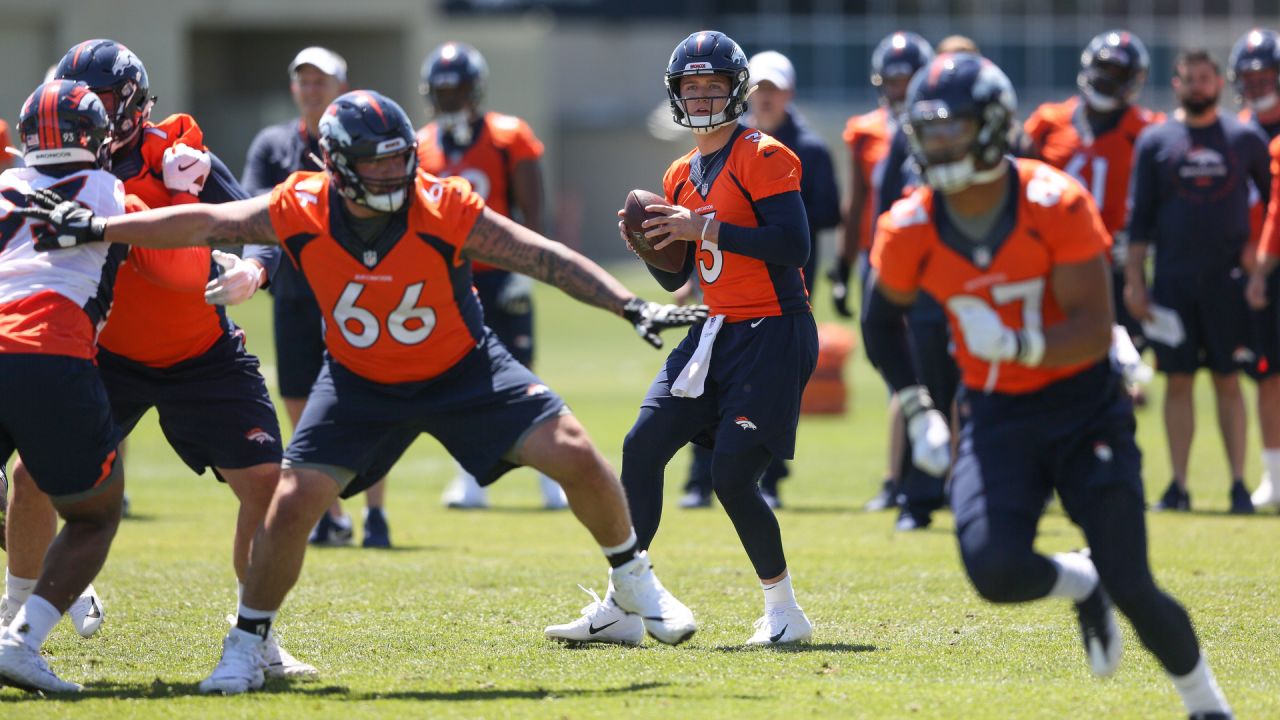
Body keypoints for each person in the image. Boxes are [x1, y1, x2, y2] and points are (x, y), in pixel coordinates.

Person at [22, 88, 704, 693]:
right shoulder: (302, 206)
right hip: (359, 380)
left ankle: (635, 579)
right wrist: (102, 227)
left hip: (465, 370)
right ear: (340, 166)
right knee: (290, 506)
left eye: (398, 157)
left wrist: (629, 305)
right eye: (375, 161)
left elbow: (542, 255)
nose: (393, 171)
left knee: (577, 453)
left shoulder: (441, 204)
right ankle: (248, 643)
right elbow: (204, 223)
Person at [862, 51, 1233, 719]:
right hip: (996, 413)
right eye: (930, 130)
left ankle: (1208, 704)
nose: (939, 144)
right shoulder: (910, 224)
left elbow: (1095, 329)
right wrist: (919, 409)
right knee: (994, 570)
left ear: (995, 126)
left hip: (1083, 406)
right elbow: (879, 322)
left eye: (954, 129)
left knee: (1135, 584)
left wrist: (1016, 343)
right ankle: (1078, 581)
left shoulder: (1053, 201)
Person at [1, 39, 315, 679]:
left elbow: (262, 224)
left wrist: (252, 269)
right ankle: (18, 613)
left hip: (199, 348)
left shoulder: (178, 158)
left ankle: (257, 636)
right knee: (35, 477)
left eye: (111, 99)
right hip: (102, 353)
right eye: (90, 99)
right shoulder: (49, 168)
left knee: (264, 483)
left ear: (139, 105)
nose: (98, 111)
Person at [546, 30, 817, 647]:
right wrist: (651, 245)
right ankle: (623, 603)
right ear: (675, 93)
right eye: (690, 87)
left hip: (773, 329)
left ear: (736, 90)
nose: (700, 97)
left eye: (713, 85)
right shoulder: (679, 171)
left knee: (732, 476)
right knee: (642, 446)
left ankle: (784, 611)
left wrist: (706, 227)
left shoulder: (764, 154)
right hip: (715, 327)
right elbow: (679, 273)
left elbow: (792, 246)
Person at [0, 80, 127, 694]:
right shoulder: (109, 190)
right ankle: (21, 641)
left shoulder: (3, 186)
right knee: (96, 514)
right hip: (48, 352)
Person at [242, 46, 393, 547]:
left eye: (320, 81)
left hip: (352, 286)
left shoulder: (362, 139)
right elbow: (254, 208)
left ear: (340, 87)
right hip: (293, 287)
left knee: (367, 391)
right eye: (303, 81)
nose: (311, 89)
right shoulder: (273, 143)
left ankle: (375, 514)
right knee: (298, 399)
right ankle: (332, 515)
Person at [677, 48, 839, 510]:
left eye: (773, 89)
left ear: (788, 93)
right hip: (725, 279)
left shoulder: (805, 148)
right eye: (758, 89)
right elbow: (698, 219)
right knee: (703, 376)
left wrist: (776, 206)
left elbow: (826, 211)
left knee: (774, 387)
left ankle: (767, 479)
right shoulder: (717, 144)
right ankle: (697, 479)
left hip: (784, 282)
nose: (764, 98)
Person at [416, 41, 568, 511]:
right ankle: (471, 479)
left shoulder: (508, 135)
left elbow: (532, 208)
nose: (450, 99)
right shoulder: (422, 144)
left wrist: (528, 267)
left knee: (522, 374)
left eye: (457, 89)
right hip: (452, 280)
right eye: (442, 91)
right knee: (459, 378)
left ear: (476, 90)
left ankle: (552, 478)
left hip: (503, 275)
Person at [1125, 49, 1269, 513]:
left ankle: (1238, 486)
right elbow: (1139, 220)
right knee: (1178, 382)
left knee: (1229, 381)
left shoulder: (1244, 138)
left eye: (1206, 78)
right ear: (1177, 83)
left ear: (1218, 83)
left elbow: (1274, 204)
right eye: (1191, 78)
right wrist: (1134, 281)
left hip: (1228, 283)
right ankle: (1179, 486)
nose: (1199, 86)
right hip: (1172, 281)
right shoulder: (1155, 141)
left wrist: (1257, 255)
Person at [1023, 30, 1161, 393]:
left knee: (1114, 371)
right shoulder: (1048, 122)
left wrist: (1141, 244)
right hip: (1053, 262)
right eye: (1104, 69)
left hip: (1113, 264)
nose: (1107, 79)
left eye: (1118, 73)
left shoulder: (1147, 131)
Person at [839, 31, 937, 519]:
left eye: (907, 78)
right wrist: (840, 265)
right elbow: (859, 201)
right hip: (884, 257)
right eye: (892, 78)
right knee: (902, 372)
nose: (899, 87)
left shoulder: (941, 123)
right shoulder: (872, 131)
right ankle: (900, 482)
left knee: (933, 371)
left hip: (938, 262)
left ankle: (932, 484)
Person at [1230, 28, 1280, 511]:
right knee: (1268, 374)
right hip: (1258, 268)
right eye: (1250, 76)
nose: (1258, 83)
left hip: (1267, 262)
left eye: (1266, 74)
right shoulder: (1238, 133)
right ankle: (1275, 475)